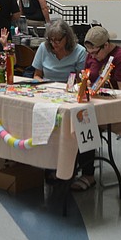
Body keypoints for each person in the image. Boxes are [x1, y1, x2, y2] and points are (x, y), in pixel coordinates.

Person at [30, 21, 89, 190]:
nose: (54, 44)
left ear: (67, 38)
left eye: (58, 40)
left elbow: (80, 80)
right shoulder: (44, 48)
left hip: (69, 95)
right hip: (47, 94)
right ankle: (49, 165)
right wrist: (42, 84)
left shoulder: (79, 52)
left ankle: (68, 166)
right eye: (51, 40)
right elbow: (37, 74)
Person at [83, 26, 121, 91]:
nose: (92, 56)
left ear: (106, 45)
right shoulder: (91, 56)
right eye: (89, 52)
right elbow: (85, 80)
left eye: (95, 52)